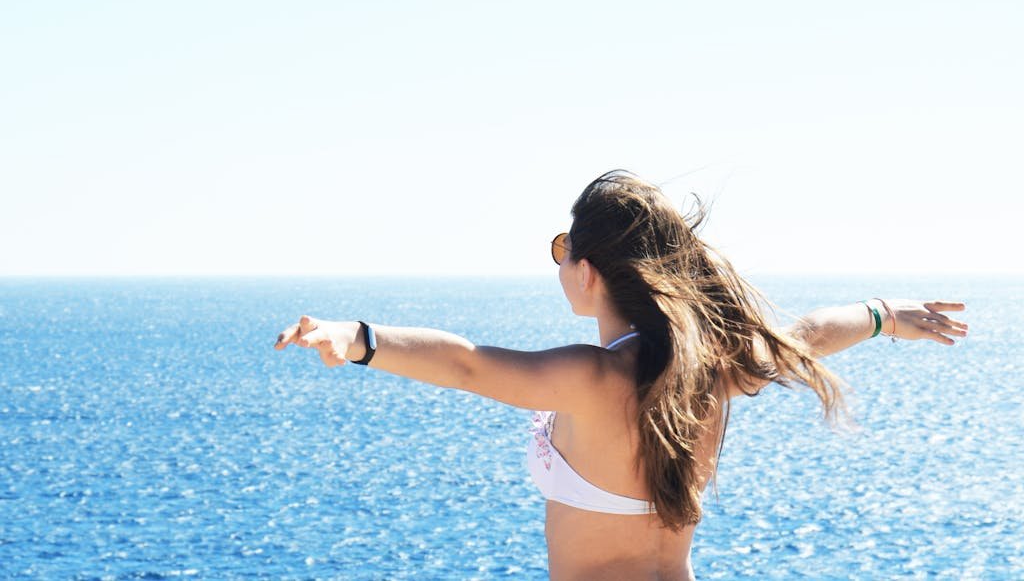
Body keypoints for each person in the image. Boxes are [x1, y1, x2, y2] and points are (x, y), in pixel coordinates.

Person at [274, 170, 968, 580]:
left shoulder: (593, 378)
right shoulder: (713, 369)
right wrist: (882, 315)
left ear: (589, 272)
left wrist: (359, 339)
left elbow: (465, 363)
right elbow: (808, 335)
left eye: (561, 247)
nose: (558, 261)